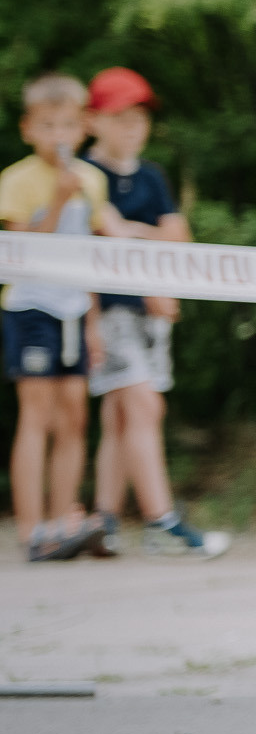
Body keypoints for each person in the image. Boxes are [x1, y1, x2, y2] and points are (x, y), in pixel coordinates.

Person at [82, 67, 229, 558]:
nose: (132, 126)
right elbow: (108, 234)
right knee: (142, 406)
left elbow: (177, 238)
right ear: (94, 120)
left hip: (150, 309)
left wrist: (133, 233)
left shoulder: (151, 175)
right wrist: (139, 235)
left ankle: (104, 518)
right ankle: (161, 520)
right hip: (104, 309)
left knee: (123, 415)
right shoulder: (85, 176)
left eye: (139, 116)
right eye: (120, 116)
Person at [4, 73, 113, 563]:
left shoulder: (94, 180)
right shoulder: (17, 179)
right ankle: (30, 528)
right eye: (48, 126)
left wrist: (93, 323)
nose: (59, 136)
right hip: (31, 306)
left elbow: (88, 256)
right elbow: (25, 246)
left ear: (84, 128)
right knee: (37, 414)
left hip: (74, 309)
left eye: (68, 125)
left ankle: (60, 519)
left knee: (74, 416)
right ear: (29, 129)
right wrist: (59, 200)